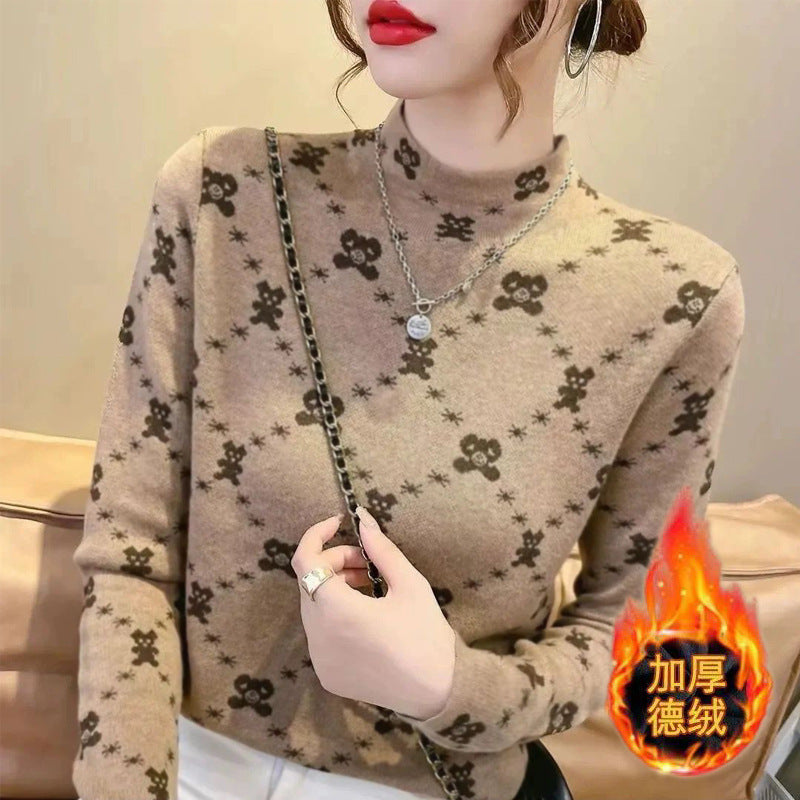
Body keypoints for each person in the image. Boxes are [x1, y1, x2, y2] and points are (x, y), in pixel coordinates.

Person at [72, 1, 746, 799]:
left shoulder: (674, 296)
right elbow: (130, 553)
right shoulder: (226, 191)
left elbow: (634, 626)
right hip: (185, 767)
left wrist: (451, 689)